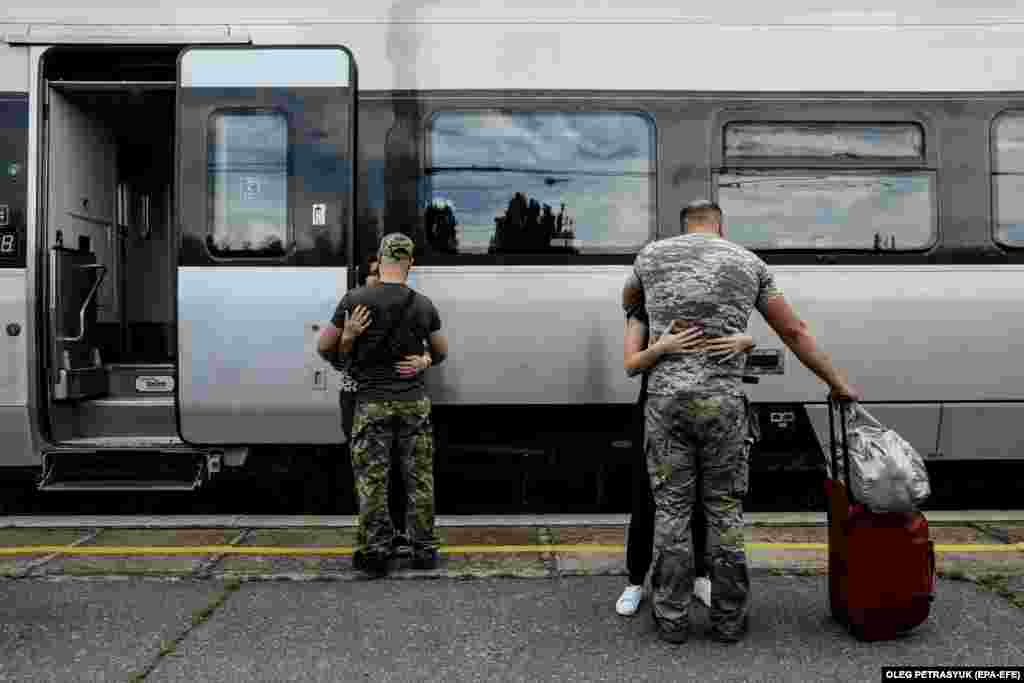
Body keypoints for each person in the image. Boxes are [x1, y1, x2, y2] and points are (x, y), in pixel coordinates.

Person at [624, 200, 859, 644]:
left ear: (683, 225)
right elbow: (795, 332)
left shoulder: (650, 256)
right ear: (720, 226)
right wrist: (837, 381)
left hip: (666, 404)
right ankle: (729, 620)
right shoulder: (748, 262)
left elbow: (629, 303)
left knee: (672, 512)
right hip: (723, 406)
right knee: (724, 510)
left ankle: (672, 620)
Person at [615, 286, 756, 616]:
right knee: (649, 497)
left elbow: (742, 345)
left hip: (711, 414)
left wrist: (747, 342)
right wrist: (663, 346)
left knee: (705, 497)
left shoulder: (714, 310)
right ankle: (636, 580)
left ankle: (700, 576)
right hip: (658, 412)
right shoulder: (644, 312)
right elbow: (632, 364)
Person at [317, 233, 448, 577]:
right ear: (411, 264)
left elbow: (324, 348)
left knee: (373, 480)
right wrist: (423, 361)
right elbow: (441, 351)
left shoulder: (354, 300)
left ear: (380, 258)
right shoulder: (423, 305)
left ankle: (376, 552)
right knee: (419, 478)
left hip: (371, 404)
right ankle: (424, 551)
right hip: (412, 403)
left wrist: (348, 338)